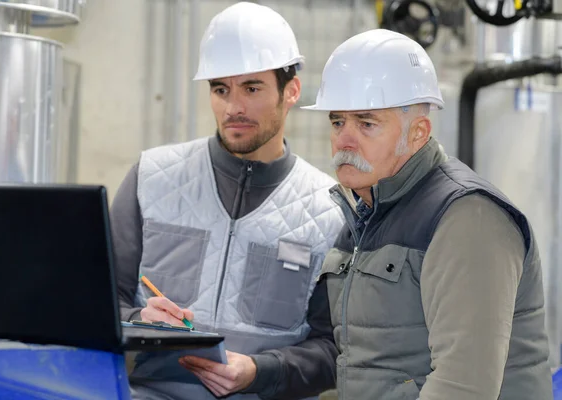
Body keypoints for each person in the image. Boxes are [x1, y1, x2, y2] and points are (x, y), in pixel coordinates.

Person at [298, 29, 553, 400]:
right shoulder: (365, 219)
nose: (344, 140)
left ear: (417, 133)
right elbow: (364, 364)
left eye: (366, 123)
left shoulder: (468, 218)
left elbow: (463, 386)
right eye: (338, 122)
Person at [110, 2, 345, 399]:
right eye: (221, 89)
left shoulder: (330, 211)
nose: (233, 107)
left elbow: (334, 350)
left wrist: (261, 370)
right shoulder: (151, 178)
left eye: (251, 88)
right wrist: (138, 319)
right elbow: (96, 304)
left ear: (291, 91)